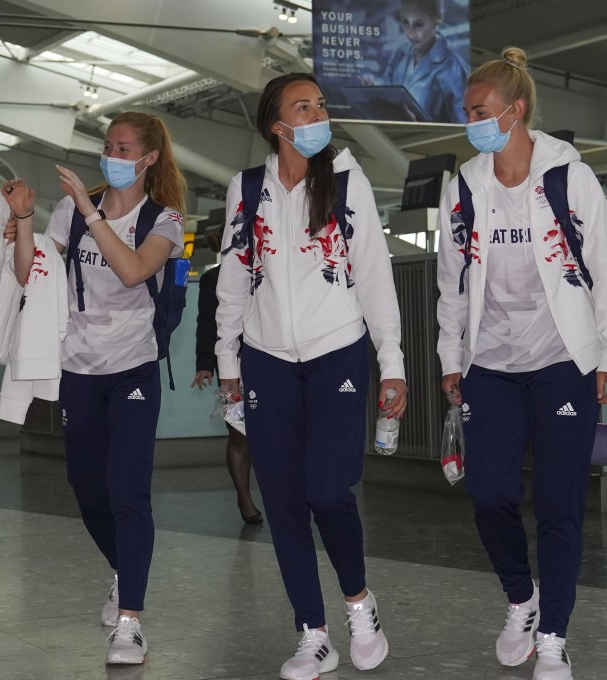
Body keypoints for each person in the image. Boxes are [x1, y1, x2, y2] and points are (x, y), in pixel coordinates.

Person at [215, 73, 407, 680]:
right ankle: (313, 633)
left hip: (337, 352)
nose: (318, 113)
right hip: (265, 358)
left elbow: (374, 276)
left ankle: (358, 603)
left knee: (327, 490)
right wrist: (228, 362)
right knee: (285, 502)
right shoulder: (246, 189)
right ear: (278, 124)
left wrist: (393, 361)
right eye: (305, 106)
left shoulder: (348, 183)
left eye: (320, 104)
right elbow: (232, 281)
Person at [436, 47, 607, 680]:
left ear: (517, 110)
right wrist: (451, 356)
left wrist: (604, 356)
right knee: (488, 493)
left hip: (564, 359)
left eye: (480, 111)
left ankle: (556, 636)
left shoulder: (569, 178)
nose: (471, 122)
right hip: (492, 364)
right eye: (467, 111)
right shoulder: (466, 188)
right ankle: (522, 599)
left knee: (561, 505)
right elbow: (451, 282)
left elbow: (606, 272)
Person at [6, 111, 187, 665]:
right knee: (88, 490)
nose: (113, 154)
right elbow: (28, 274)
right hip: (78, 369)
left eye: (125, 147)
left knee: (129, 492)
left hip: (133, 367)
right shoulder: (69, 211)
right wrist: (24, 224)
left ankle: (130, 619)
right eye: (108, 145)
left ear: (149, 157)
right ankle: (124, 568)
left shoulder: (166, 220)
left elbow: (134, 271)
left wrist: (90, 210)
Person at [191, 225, 261, 525]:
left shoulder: (264, 271)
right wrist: (204, 364)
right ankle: (245, 500)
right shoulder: (211, 279)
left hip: (271, 360)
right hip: (231, 365)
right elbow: (207, 323)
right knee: (239, 433)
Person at [382, 0, 469, 123]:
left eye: (419, 24)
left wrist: (417, 125)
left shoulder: (454, 70)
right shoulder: (400, 55)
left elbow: (463, 130)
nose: (410, 34)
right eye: (405, 22)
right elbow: (386, 98)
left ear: (437, 18)